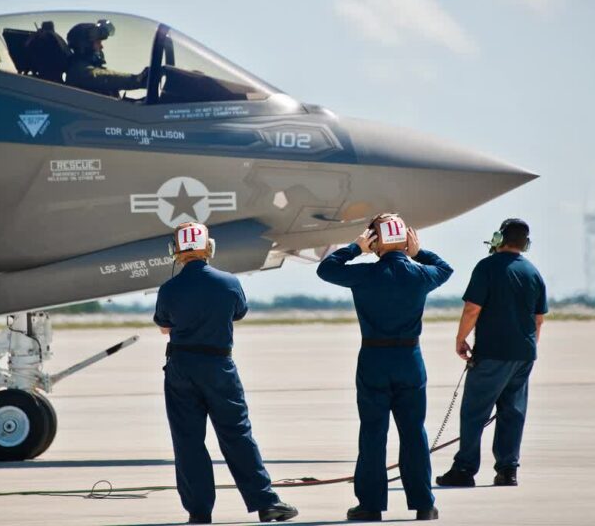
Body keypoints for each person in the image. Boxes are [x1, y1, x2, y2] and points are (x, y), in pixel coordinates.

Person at [154, 221, 298, 524]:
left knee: (188, 440)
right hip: (219, 366)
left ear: (175, 252)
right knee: (237, 434)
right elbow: (238, 312)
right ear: (210, 248)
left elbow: (164, 325)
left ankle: (199, 511)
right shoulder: (229, 282)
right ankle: (265, 502)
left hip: (181, 368)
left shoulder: (168, 288)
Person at [317, 214, 452, 522]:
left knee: (373, 434)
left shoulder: (365, 274)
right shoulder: (420, 276)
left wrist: (355, 248)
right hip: (410, 359)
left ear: (375, 242)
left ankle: (371, 505)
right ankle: (423, 504)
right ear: (406, 241)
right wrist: (418, 254)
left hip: (374, 359)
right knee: (414, 433)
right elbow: (445, 269)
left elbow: (326, 270)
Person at [436, 218, 547, 488]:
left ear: (498, 239)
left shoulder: (487, 267)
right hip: (523, 354)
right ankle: (508, 470)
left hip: (492, 354)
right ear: (525, 244)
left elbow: (473, 308)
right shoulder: (533, 272)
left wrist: (461, 338)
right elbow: (539, 319)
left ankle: (465, 469)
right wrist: (528, 349)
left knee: (474, 412)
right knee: (512, 412)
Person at [65, 19, 148, 98]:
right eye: (98, 42)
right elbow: (106, 78)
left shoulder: (84, 67)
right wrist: (138, 80)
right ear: (85, 46)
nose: (101, 47)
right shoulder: (79, 70)